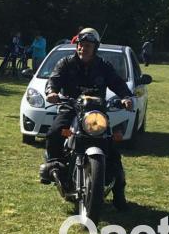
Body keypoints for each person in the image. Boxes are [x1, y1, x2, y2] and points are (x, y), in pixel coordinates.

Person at [39, 28, 134, 210]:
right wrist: (52, 92)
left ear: (95, 47)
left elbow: (117, 83)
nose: (83, 49)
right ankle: (53, 165)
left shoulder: (104, 66)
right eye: (81, 45)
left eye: (88, 46)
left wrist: (126, 97)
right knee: (54, 133)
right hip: (71, 107)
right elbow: (54, 79)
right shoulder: (65, 63)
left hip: (96, 112)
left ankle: (119, 195)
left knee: (113, 149)